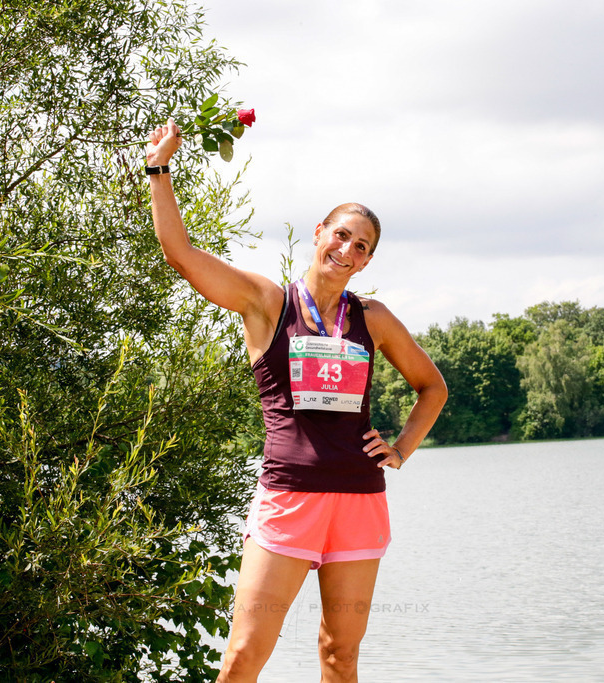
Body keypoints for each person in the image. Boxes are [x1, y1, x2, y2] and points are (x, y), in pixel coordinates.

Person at [145, 119, 447, 683]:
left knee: (340, 655)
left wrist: (401, 448)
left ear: (366, 262)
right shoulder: (267, 302)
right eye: (342, 235)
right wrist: (159, 168)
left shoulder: (373, 318)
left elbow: (433, 387)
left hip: (359, 500)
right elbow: (180, 254)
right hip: (289, 499)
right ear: (319, 233)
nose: (347, 250)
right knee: (243, 657)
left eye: (361, 247)